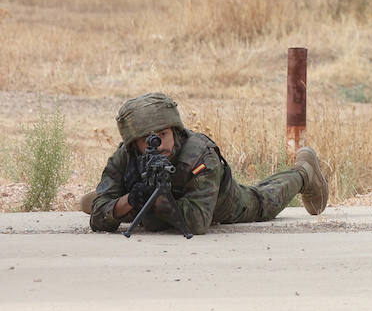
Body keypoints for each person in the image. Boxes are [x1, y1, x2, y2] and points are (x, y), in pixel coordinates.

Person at [86, 92, 328, 235]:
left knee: (262, 201)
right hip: (154, 208)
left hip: (222, 204)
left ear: (175, 130)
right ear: (133, 143)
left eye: (164, 134)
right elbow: (97, 219)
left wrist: (157, 200)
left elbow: (199, 223)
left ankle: (303, 173)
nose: (159, 145)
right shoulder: (125, 156)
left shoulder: (200, 155)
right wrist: (131, 199)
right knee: (106, 203)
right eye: (148, 140)